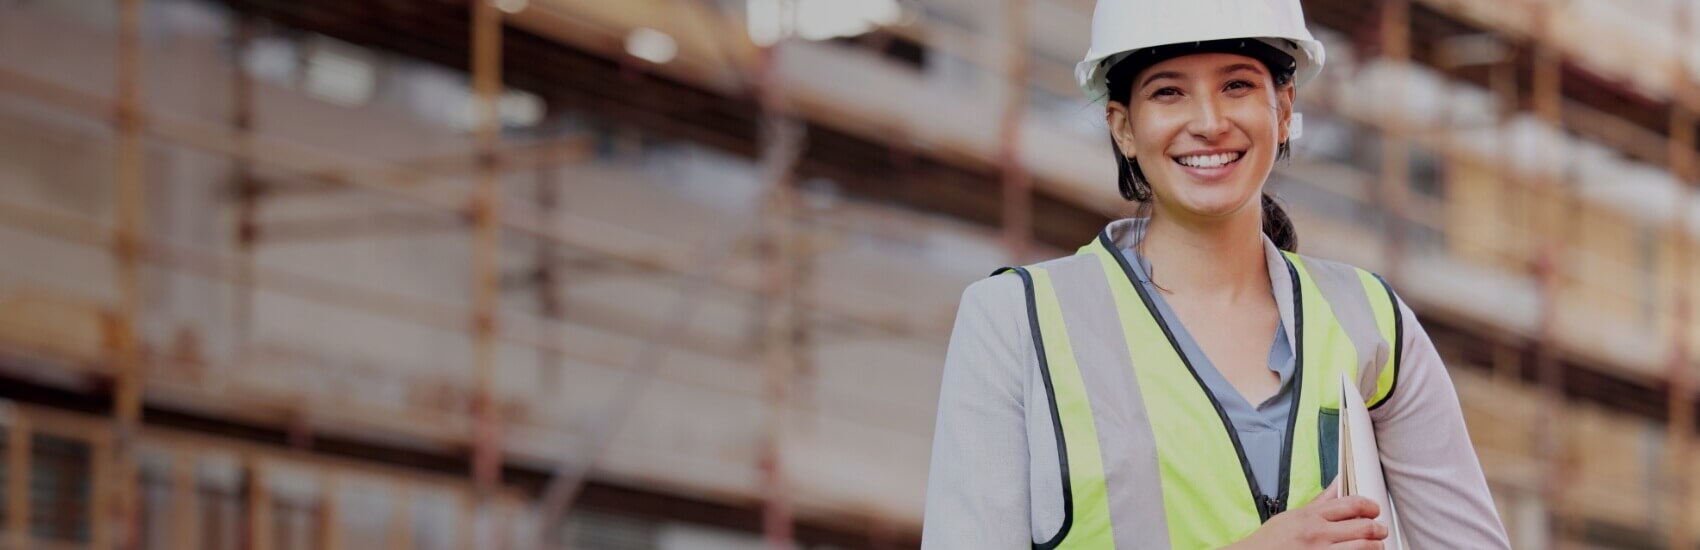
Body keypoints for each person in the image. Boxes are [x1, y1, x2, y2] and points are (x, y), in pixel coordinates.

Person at [920, 0, 1511, 548]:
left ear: (1283, 110)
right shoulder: (1016, 323)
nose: (1208, 121)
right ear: (1123, 127)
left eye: (1236, 85)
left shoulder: (1371, 320)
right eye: (1169, 92)